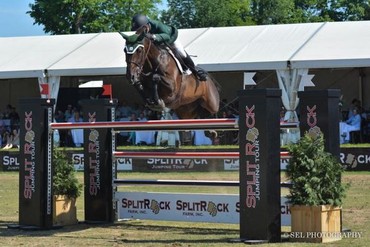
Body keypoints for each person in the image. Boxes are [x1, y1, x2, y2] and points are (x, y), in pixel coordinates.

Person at [130, 14, 207, 81]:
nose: (138, 32)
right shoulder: (145, 30)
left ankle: (194, 70)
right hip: (159, 42)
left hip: (171, 38)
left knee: (180, 52)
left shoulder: (157, 25)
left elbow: (166, 36)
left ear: (145, 26)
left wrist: (154, 36)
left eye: (139, 29)